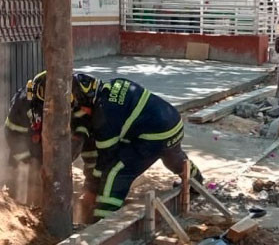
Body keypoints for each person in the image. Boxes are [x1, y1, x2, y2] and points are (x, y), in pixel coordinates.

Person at [73, 77, 204, 219]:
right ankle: (196, 181)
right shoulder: (111, 86)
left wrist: (92, 190)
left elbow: (106, 158)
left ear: (85, 105)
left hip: (155, 135)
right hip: (172, 123)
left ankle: (103, 218)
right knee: (174, 159)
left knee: (116, 171)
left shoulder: (104, 117)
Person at [4, 72, 98, 195]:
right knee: (21, 178)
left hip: (58, 148)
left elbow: (84, 124)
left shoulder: (74, 99)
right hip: (30, 147)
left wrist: (77, 139)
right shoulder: (23, 103)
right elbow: (12, 134)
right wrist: (30, 163)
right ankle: (15, 197)